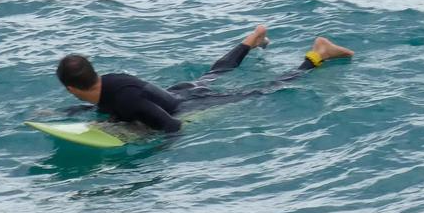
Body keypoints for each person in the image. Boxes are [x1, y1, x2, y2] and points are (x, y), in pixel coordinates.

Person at [55, 25, 354, 133]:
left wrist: (149, 146)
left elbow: (173, 126)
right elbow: (112, 107)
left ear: (71, 88)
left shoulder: (124, 98)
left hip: (189, 104)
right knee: (215, 72)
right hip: (177, 92)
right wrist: (72, 113)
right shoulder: (107, 82)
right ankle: (253, 38)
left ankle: (317, 55)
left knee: (268, 88)